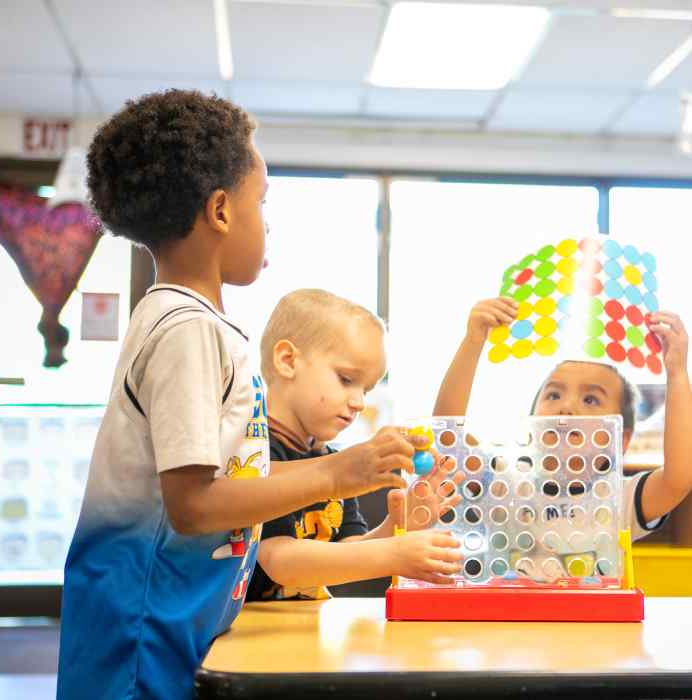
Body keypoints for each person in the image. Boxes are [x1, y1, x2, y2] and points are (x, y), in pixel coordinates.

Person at [56, 91, 429, 700]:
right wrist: (341, 471)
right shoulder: (186, 327)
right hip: (141, 628)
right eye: (263, 202)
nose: (268, 222)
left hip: (175, 614)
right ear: (222, 211)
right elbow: (193, 505)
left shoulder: (194, 324)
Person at [433, 297, 692, 578]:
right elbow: (449, 442)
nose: (566, 407)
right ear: (531, 423)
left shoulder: (623, 497)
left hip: (595, 622)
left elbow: (678, 478)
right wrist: (473, 341)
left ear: (621, 439)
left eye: (591, 399)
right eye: (554, 394)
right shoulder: (505, 484)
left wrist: (677, 374)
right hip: (512, 621)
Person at [246, 289, 463, 601]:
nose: (360, 402)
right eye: (347, 380)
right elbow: (279, 559)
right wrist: (394, 553)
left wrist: (398, 526)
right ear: (287, 361)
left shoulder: (333, 461)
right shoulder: (254, 454)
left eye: (367, 388)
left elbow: (346, 553)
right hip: (245, 637)